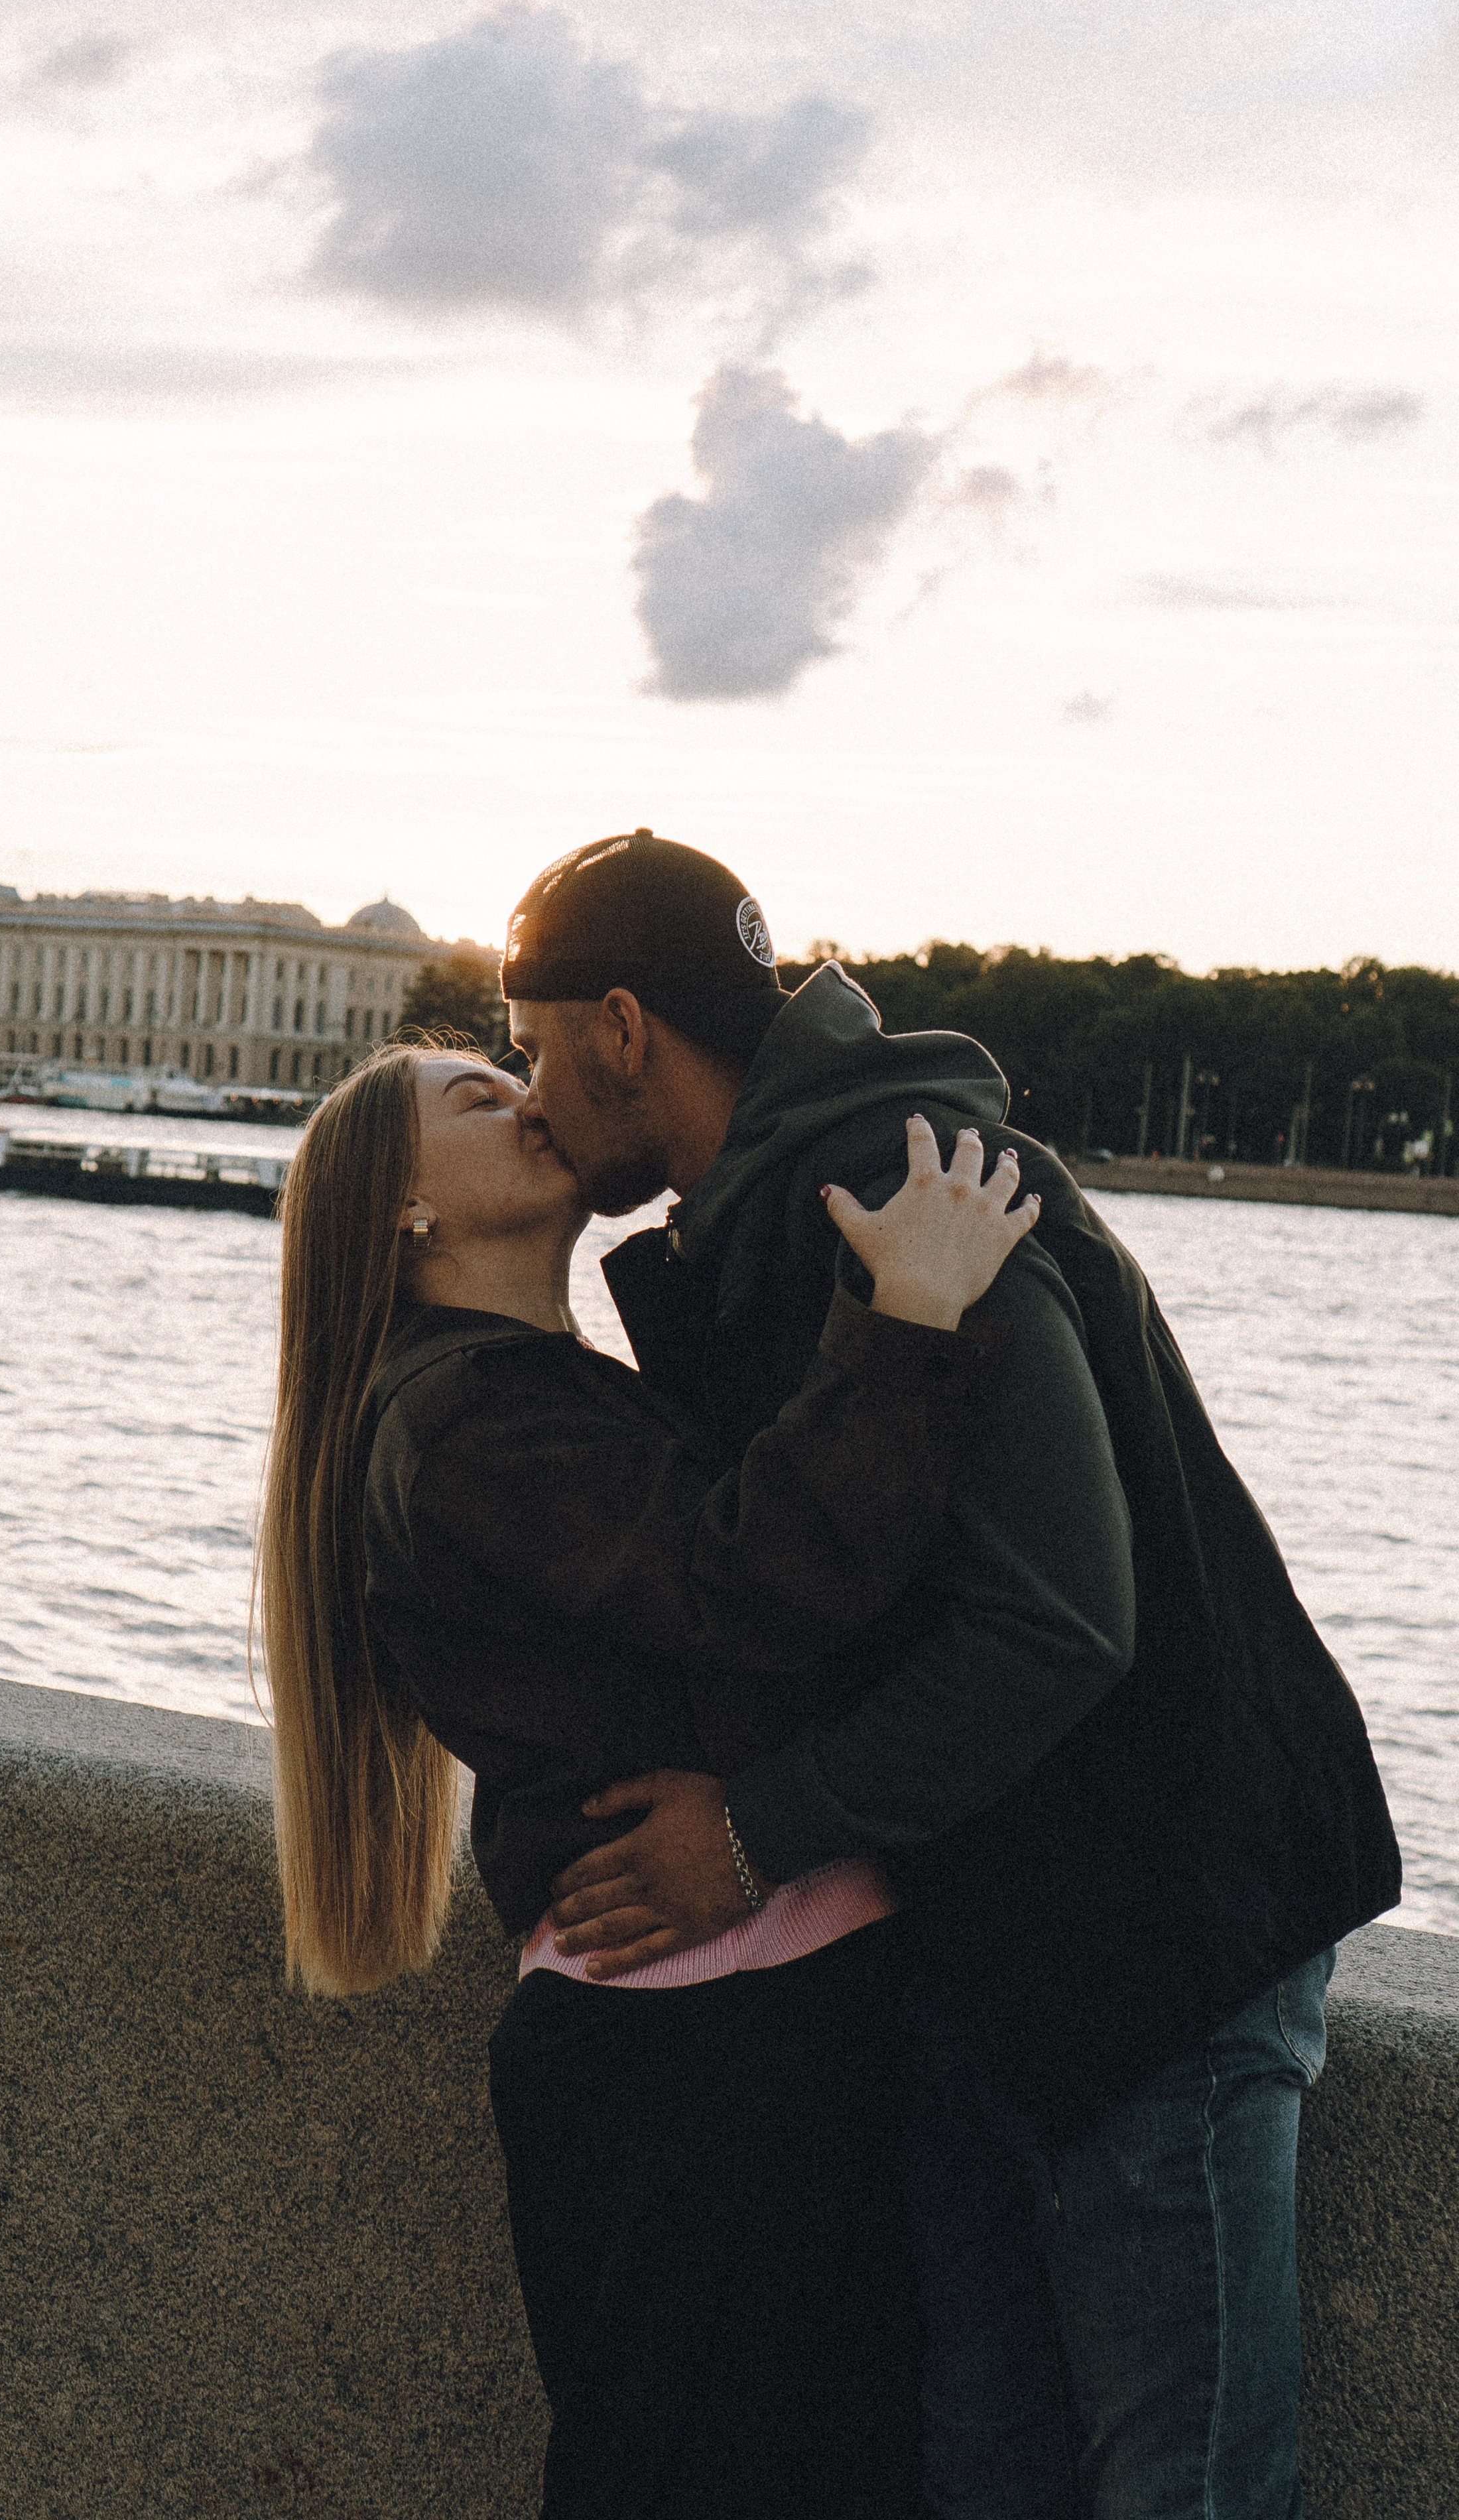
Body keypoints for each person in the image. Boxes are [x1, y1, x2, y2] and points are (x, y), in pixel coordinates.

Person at [502, 830, 1402, 2520]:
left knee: (1175, 2489)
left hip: (1157, 1932)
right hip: (1021, 1936)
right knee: (983, 2467)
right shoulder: (800, 1197)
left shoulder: (891, 1188)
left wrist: (754, 1834)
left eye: (529, 1037)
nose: (526, 1089)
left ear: (622, 1025)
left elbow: (1055, 1625)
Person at [257, 1037, 1043, 2519]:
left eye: (515, 1070)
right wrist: (918, 1307)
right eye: (473, 1102)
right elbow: (760, 1584)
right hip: (710, 2052)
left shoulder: (497, 1396)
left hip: (704, 2036)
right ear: (401, 1214)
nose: (526, 1097)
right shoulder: (472, 1420)